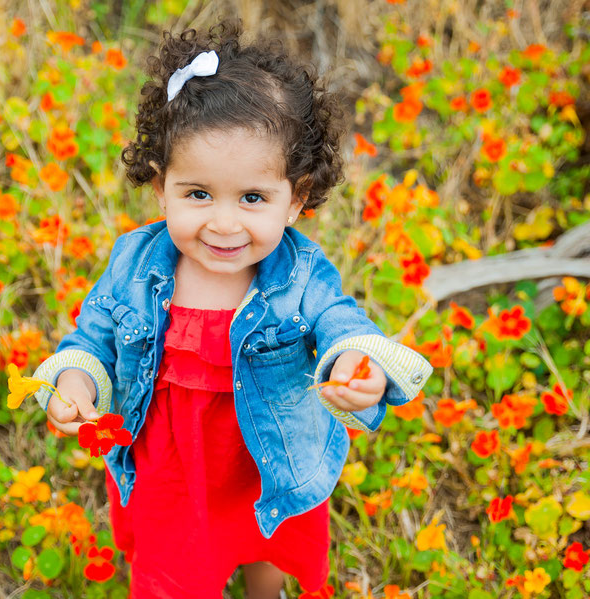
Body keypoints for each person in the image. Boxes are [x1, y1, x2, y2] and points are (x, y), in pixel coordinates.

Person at [30, 17, 432, 599]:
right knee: (177, 564)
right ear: (158, 186)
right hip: (171, 465)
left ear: (295, 200)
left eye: (252, 198)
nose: (223, 223)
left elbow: (341, 321)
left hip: (264, 454)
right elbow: (91, 337)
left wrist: (354, 366)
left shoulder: (298, 273)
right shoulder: (134, 265)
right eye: (197, 194)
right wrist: (75, 379)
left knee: (266, 545)